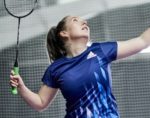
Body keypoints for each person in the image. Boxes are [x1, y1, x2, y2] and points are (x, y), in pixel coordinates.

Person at [10, 15, 150, 118]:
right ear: (64, 33)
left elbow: (142, 41)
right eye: (75, 20)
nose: (84, 22)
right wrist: (22, 88)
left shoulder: (101, 51)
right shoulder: (56, 69)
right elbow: (41, 103)